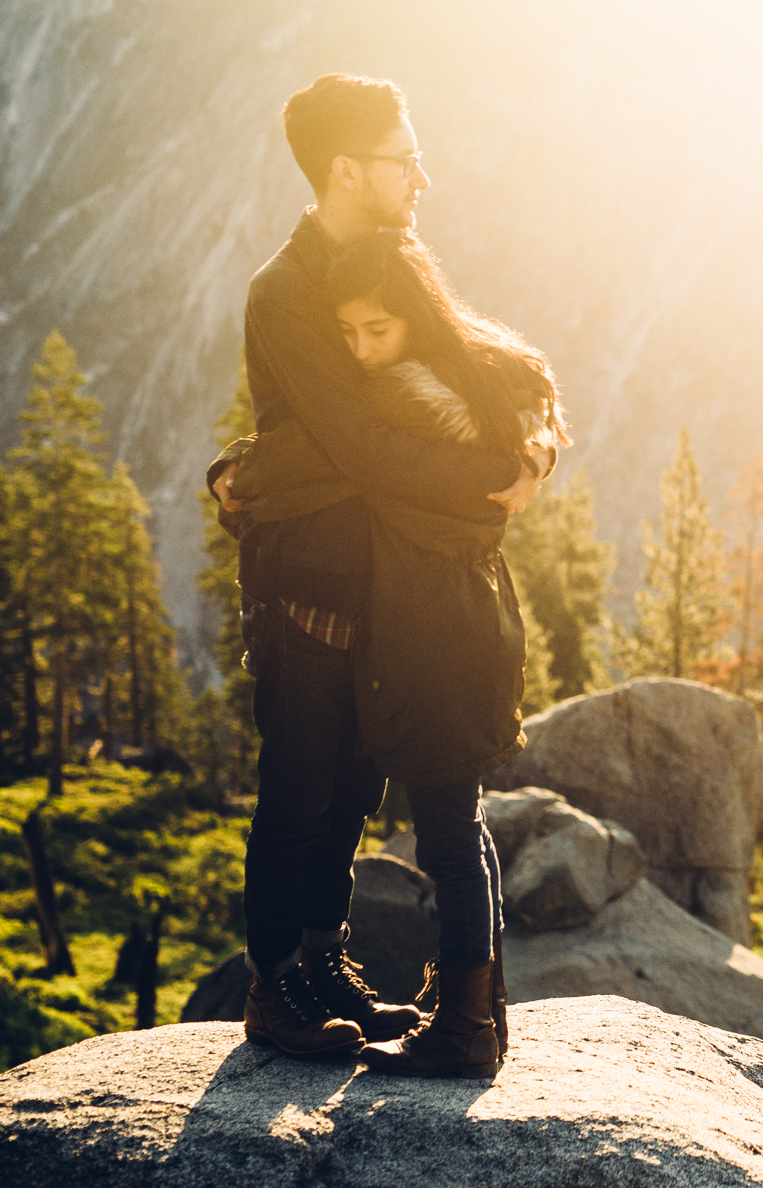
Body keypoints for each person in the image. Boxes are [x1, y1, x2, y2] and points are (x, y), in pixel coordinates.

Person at [207, 74, 550, 1063]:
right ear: (347, 169)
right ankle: (277, 986)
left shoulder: (387, 258)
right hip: (306, 583)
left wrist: (536, 436)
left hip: (380, 586)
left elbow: (456, 365)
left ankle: (324, 961)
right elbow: (362, 440)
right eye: (405, 159)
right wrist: (495, 476)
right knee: (301, 786)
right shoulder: (285, 291)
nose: (422, 177)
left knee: (351, 786)